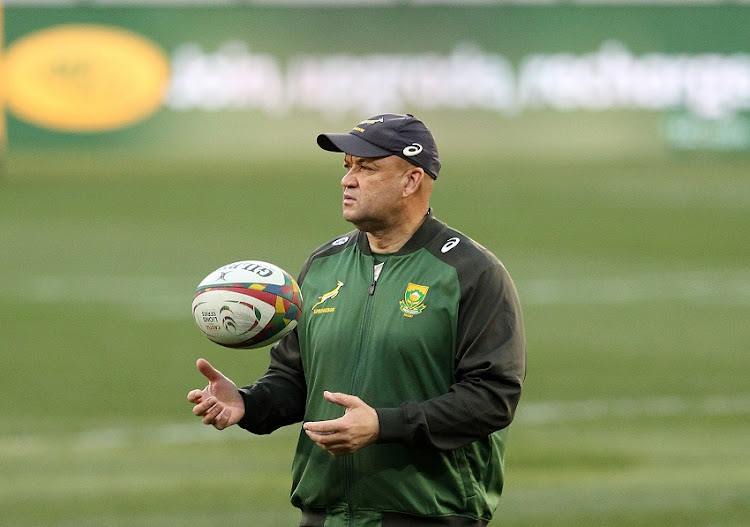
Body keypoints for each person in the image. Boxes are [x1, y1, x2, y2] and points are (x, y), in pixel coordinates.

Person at [188, 113, 526, 527]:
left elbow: (493, 398)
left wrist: (383, 425)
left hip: (426, 514)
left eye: (366, 167)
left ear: (411, 180)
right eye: (347, 166)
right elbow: (295, 377)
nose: (348, 180)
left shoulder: (470, 272)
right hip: (325, 514)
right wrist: (248, 403)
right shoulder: (324, 265)